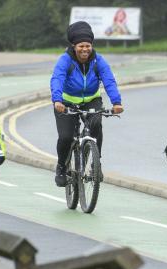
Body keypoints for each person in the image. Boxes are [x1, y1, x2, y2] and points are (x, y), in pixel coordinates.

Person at [50, 21, 124, 187]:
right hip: (66, 102)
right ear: (74, 46)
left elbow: (109, 80)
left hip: (91, 99)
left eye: (88, 46)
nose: (85, 49)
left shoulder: (98, 61)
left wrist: (116, 102)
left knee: (96, 124)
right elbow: (57, 79)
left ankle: (95, 164)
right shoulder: (65, 60)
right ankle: (61, 166)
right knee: (66, 137)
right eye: (81, 46)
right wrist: (57, 100)